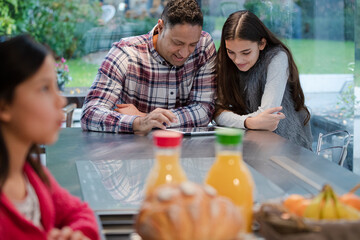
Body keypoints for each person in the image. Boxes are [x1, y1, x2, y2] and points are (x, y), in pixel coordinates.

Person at [0, 35, 100, 240]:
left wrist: (75, 234)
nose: (61, 100)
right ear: (4, 106)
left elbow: (79, 213)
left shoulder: (31, 175)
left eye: (56, 86)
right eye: (44, 88)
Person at [81, 0, 216, 135]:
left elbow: (204, 110)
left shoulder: (203, 46)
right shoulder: (125, 53)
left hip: (187, 150)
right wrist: (138, 123)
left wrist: (144, 117)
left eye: (192, 44)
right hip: (131, 150)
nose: (185, 53)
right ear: (160, 27)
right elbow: (90, 113)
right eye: (177, 43)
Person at [215, 10, 312, 150]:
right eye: (231, 52)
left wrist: (234, 120)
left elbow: (268, 116)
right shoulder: (225, 61)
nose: (238, 60)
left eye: (246, 52)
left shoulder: (277, 57)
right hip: (249, 144)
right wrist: (250, 122)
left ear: (262, 43)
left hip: (288, 145)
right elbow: (217, 112)